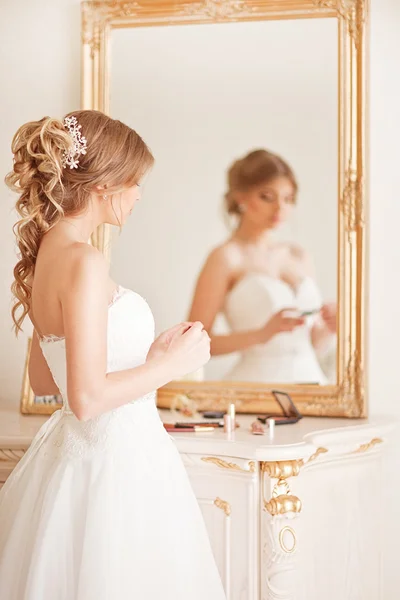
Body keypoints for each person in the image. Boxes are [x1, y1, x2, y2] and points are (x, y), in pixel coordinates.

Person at [0, 111, 226, 600]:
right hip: (117, 467)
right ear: (103, 183)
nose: (139, 194)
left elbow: (46, 384)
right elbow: (85, 398)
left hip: (72, 465)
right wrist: (171, 365)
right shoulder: (84, 260)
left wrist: (149, 356)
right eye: (135, 181)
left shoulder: (46, 260)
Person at [188, 149, 337, 384]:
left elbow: (311, 345)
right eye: (267, 196)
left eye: (288, 199)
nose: (280, 208)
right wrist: (262, 334)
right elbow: (195, 341)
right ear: (241, 197)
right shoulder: (225, 257)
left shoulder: (298, 255)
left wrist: (331, 327)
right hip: (258, 386)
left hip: (313, 387)